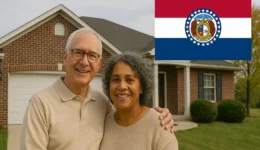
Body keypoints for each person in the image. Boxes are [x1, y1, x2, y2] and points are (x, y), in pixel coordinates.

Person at [20, 28, 175, 150]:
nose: (84, 61)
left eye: (92, 55)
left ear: (99, 63)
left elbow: (131, 116)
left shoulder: (102, 103)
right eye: (78, 52)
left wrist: (159, 115)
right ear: (65, 57)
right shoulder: (41, 104)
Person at [99, 52, 178, 150]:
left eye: (129, 80)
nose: (122, 86)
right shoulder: (105, 121)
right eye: (116, 79)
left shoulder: (160, 125)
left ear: (141, 87)